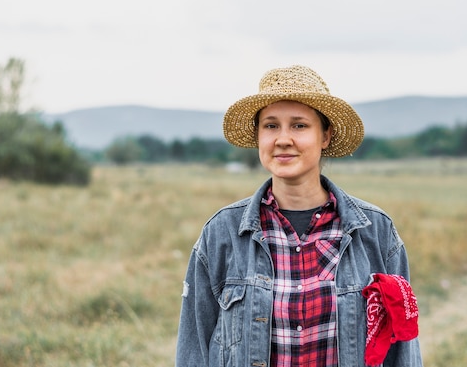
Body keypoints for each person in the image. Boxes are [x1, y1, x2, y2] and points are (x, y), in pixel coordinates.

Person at [175, 65, 423, 367]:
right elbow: (194, 347)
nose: (283, 139)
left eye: (299, 126)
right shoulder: (221, 233)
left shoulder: (377, 232)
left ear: (326, 136)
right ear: (258, 137)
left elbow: (403, 348)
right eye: (270, 126)